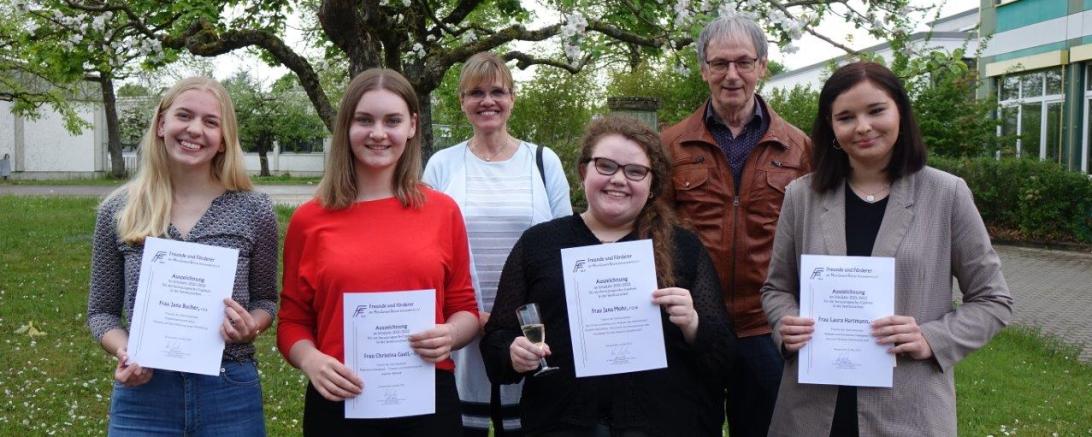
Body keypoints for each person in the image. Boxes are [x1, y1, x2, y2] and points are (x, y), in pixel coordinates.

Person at [761, 61, 1014, 436]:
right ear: (831, 127)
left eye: (876, 110)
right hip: (810, 411)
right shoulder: (803, 197)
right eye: (845, 117)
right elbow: (776, 288)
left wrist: (931, 338)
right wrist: (786, 325)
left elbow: (994, 301)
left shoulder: (947, 195)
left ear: (900, 112)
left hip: (909, 410)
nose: (862, 127)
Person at [481, 115, 736, 437]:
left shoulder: (682, 246)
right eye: (606, 166)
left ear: (652, 183)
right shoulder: (539, 244)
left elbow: (724, 356)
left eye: (635, 171)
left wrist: (692, 324)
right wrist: (513, 354)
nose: (619, 179)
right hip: (562, 424)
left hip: (663, 423)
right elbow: (495, 342)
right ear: (584, 170)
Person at [277, 68, 480, 436]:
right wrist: (311, 360)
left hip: (428, 402)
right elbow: (292, 320)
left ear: (412, 126)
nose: (378, 133)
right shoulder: (310, 219)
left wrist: (450, 335)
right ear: (346, 127)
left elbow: (463, 307)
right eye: (364, 120)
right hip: (338, 401)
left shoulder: (442, 211)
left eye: (392, 120)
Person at [87, 77, 277, 436]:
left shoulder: (255, 210)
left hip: (229, 390)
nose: (195, 130)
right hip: (144, 395)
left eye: (210, 122)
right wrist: (126, 350)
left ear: (224, 138)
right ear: (161, 124)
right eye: (184, 116)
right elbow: (101, 313)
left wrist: (252, 326)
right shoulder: (119, 210)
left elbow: (266, 300)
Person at [660, 14, 811, 437]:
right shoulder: (669, 146)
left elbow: (816, 238)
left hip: (764, 328)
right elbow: (652, 231)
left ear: (763, 66)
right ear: (703, 68)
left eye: (744, 62)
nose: (732, 75)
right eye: (719, 63)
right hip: (691, 327)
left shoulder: (800, 148)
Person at [423, 51, 572, 437]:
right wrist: (472, 318)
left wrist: (512, 322)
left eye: (497, 91)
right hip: (460, 322)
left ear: (512, 98)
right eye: (476, 93)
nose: (487, 101)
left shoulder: (542, 161)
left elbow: (565, 245)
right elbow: (426, 247)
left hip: (529, 327)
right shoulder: (442, 164)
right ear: (462, 102)